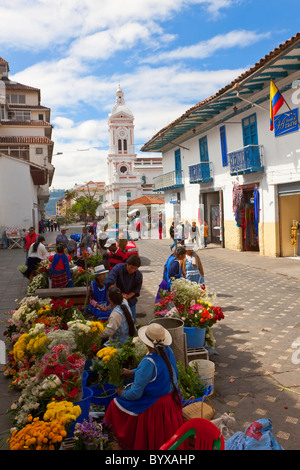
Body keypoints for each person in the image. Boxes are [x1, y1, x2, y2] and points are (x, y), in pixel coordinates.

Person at [103, 322, 187, 450]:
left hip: (155, 406)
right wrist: (132, 372)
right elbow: (153, 372)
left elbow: (135, 394)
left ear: (147, 343)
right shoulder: (167, 351)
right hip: (170, 401)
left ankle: (122, 440)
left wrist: (122, 393)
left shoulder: (149, 362)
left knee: (115, 404)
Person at [104, 255, 143, 324]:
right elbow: (108, 281)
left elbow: (136, 290)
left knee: (131, 322)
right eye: (131, 267)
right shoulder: (118, 268)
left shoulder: (138, 275)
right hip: (116, 300)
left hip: (130, 301)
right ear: (127, 264)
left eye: (135, 268)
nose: (132, 270)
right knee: (115, 322)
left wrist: (127, 296)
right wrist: (119, 294)